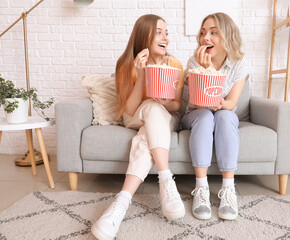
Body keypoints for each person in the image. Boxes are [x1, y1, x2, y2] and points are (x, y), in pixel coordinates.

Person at [91, 14, 185, 240]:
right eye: (159, 32)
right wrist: (142, 75)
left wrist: (164, 101)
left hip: (165, 117)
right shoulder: (126, 63)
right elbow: (130, 110)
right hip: (134, 115)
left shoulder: (174, 64)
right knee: (150, 107)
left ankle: (121, 202)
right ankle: (166, 180)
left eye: (167, 33)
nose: (166, 38)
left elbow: (177, 105)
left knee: (147, 132)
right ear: (145, 35)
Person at [181, 12, 248, 221]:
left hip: (223, 115)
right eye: (203, 33)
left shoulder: (239, 63)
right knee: (206, 116)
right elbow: (201, 103)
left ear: (227, 36)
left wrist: (210, 71)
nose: (205, 38)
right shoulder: (194, 62)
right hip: (197, 115)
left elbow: (229, 104)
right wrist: (205, 68)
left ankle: (228, 190)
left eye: (213, 33)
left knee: (224, 116)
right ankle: (201, 189)